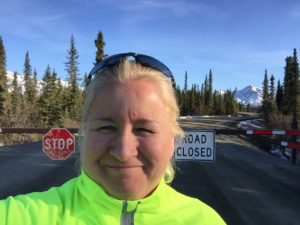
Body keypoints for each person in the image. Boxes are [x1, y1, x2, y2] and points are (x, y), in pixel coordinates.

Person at [0, 52, 226, 225]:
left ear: (173, 141)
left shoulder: (203, 220)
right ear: (84, 134)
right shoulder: (26, 215)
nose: (123, 151)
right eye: (106, 127)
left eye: (144, 130)